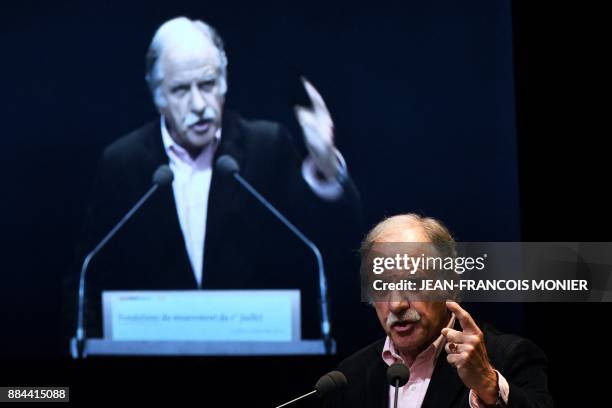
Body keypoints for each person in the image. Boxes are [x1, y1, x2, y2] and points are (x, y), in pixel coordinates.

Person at [65, 17, 362, 340]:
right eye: (180, 90)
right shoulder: (122, 163)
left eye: (207, 84)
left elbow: (331, 248)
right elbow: (87, 278)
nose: (199, 105)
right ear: (157, 95)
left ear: (224, 82)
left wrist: (326, 169)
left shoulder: (267, 146)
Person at [329, 214, 552, 408]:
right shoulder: (349, 376)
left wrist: (487, 384)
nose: (397, 305)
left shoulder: (509, 357)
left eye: (414, 283)